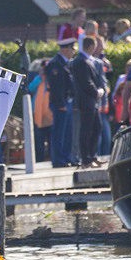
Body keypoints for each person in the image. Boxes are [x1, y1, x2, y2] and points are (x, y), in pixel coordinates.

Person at [70, 36, 105, 167]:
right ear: (90, 46)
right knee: (86, 130)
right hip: (86, 101)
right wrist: (97, 92)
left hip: (91, 102)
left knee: (96, 128)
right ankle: (86, 159)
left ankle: (92, 156)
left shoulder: (85, 60)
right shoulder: (80, 61)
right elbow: (86, 82)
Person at [46, 37, 78, 167]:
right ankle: (58, 160)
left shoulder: (66, 62)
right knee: (59, 132)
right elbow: (56, 86)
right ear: (65, 49)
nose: (73, 51)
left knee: (68, 132)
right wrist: (60, 104)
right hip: (61, 103)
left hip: (68, 101)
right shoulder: (56, 63)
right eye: (72, 49)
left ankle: (66, 157)